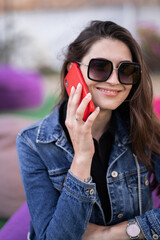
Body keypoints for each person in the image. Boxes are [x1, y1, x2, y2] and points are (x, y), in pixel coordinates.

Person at [16, 20, 160, 240]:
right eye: (100, 67)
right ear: (71, 71)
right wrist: (82, 158)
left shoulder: (145, 128)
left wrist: (110, 234)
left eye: (127, 70)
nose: (114, 81)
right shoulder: (33, 143)